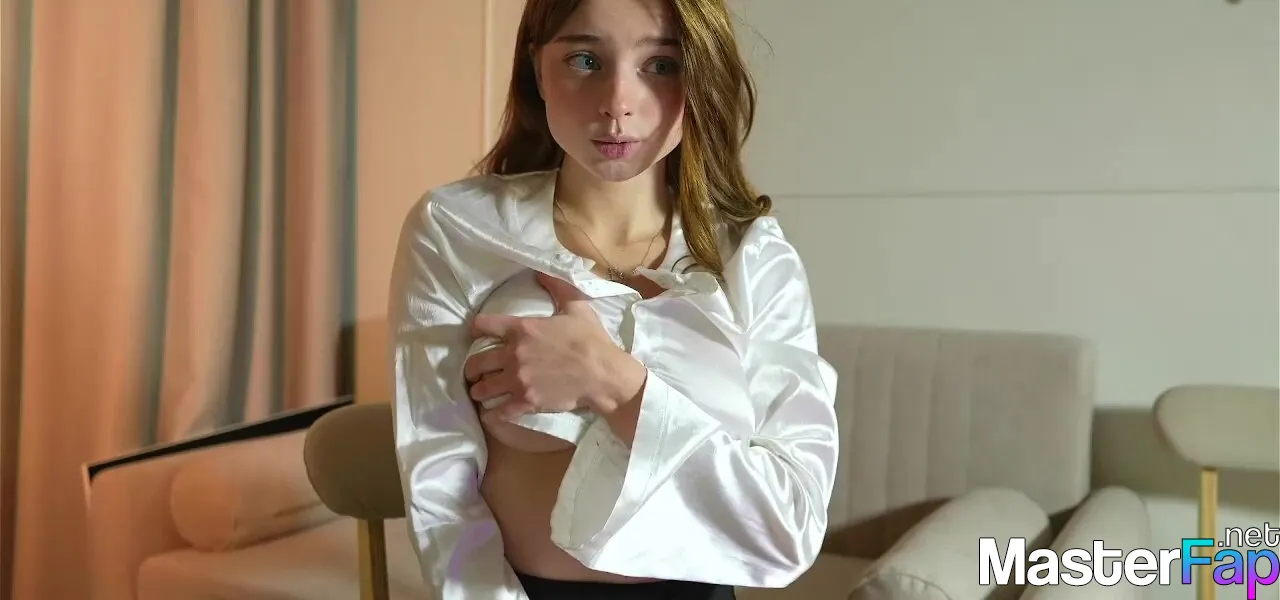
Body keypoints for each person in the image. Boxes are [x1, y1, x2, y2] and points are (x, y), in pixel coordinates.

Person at [386, 0, 840, 598]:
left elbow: (789, 529)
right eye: (584, 59)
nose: (617, 103)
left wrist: (614, 384)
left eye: (661, 65)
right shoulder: (456, 229)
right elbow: (439, 483)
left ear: (701, 74)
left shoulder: (753, 256)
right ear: (537, 69)